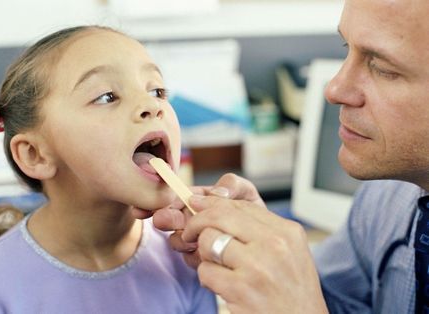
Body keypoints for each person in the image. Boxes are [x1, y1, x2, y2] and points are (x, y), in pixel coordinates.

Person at [153, 0, 429, 312]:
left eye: (382, 68)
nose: (334, 89)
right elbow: (339, 299)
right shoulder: (387, 197)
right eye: (346, 47)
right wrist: (263, 256)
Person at [0, 25, 217, 313]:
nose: (151, 105)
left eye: (157, 90)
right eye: (106, 97)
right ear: (36, 154)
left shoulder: (189, 254)